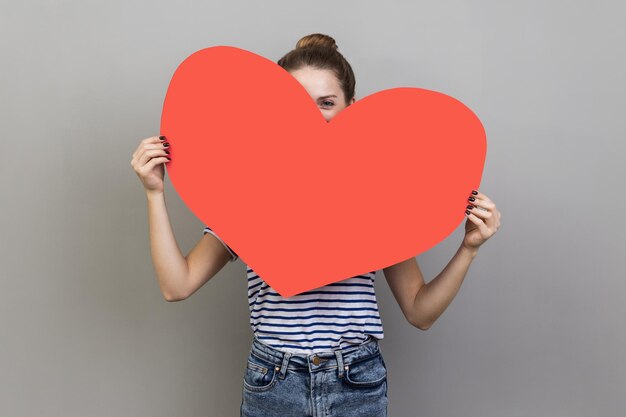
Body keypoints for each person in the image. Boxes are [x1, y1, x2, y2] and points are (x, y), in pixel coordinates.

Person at [130, 33, 501, 417]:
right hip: (273, 382)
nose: (310, 115)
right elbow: (177, 286)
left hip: (356, 382)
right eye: (294, 104)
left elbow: (420, 313)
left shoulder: (382, 203)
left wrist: (468, 248)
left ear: (352, 109)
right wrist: (155, 194)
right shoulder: (243, 198)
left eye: (326, 103)